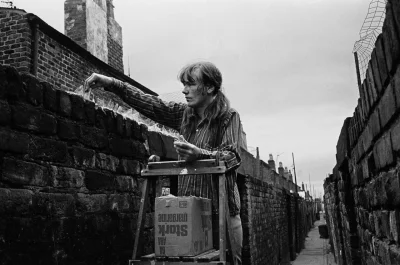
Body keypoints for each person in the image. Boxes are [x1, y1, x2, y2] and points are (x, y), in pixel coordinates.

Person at [84, 61, 243, 264]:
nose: (184, 90)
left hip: (223, 215)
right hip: (191, 212)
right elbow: (152, 104)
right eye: (184, 84)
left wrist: (199, 154)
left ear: (210, 87)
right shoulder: (184, 114)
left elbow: (232, 156)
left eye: (191, 84)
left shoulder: (228, 116)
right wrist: (112, 83)